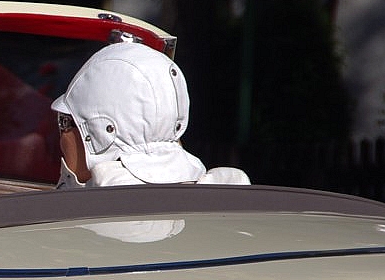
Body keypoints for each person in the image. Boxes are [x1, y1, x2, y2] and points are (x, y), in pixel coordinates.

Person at [51, 38, 249, 188]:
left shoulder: (88, 215)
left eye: (65, 122)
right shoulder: (229, 195)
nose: (61, 138)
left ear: (98, 134)